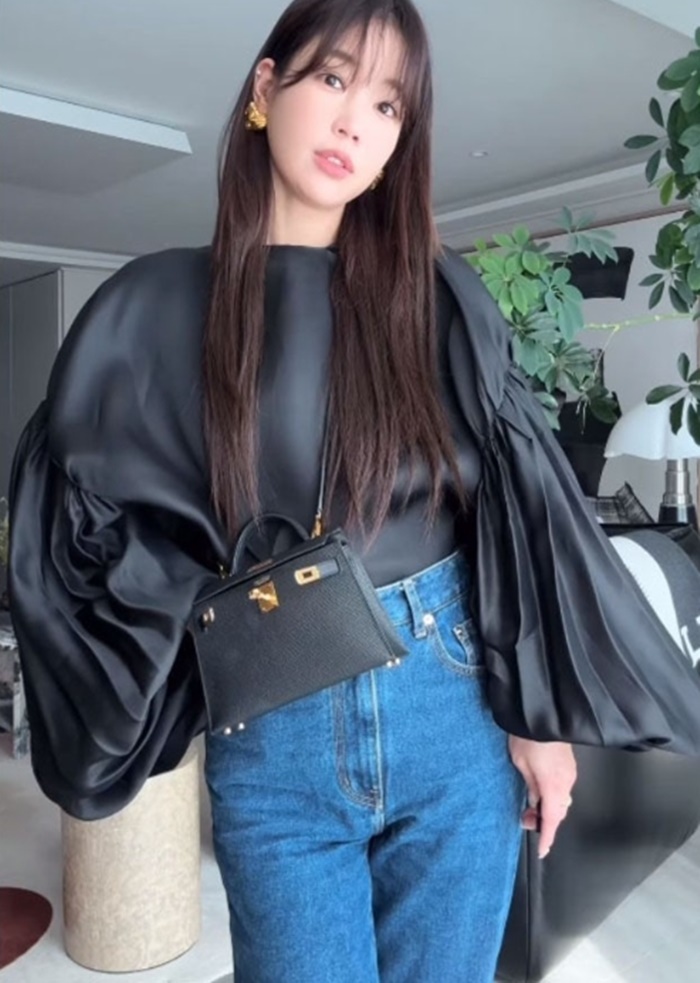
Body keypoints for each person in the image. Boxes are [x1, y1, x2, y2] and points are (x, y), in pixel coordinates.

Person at [9, 0, 700, 980]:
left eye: (386, 106)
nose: (353, 123)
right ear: (266, 87)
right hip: (274, 737)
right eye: (333, 78)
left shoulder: (440, 297)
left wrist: (536, 720)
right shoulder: (150, 310)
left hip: (451, 704)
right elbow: (85, 541)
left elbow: (507, 521)